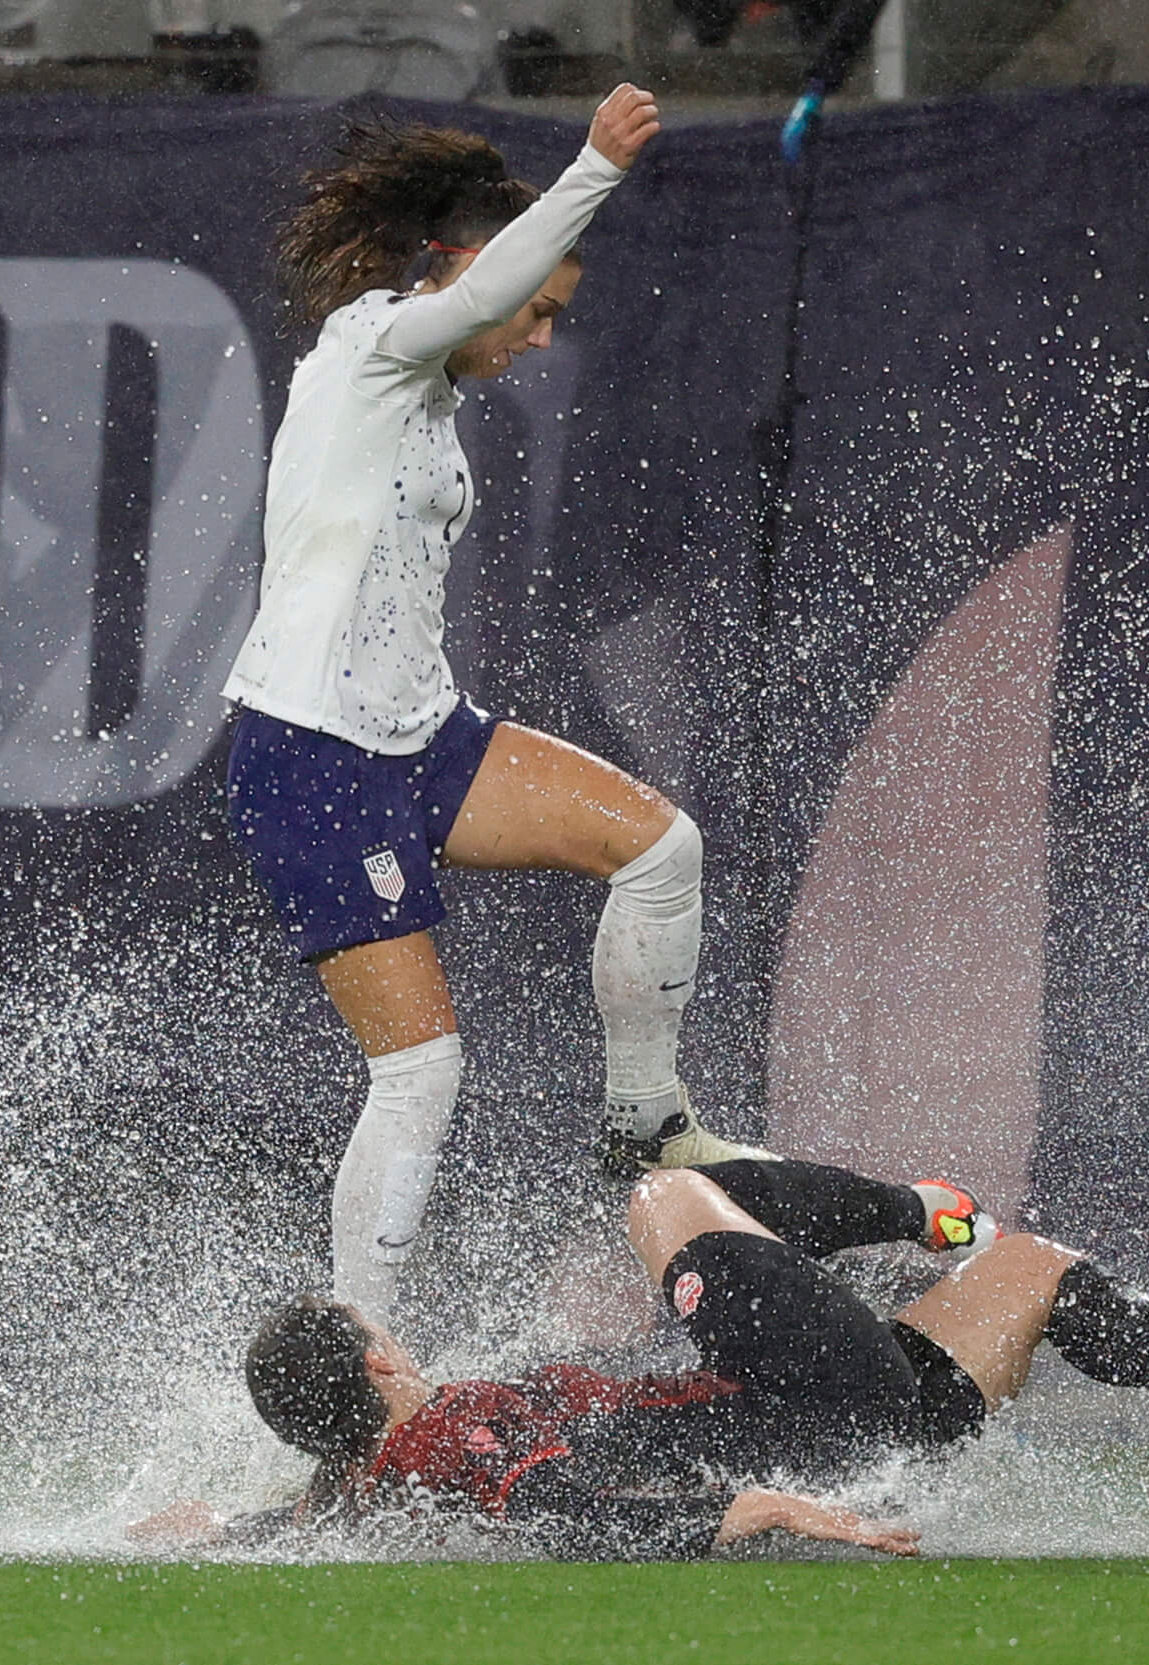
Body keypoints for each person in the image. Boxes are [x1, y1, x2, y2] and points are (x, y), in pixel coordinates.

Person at [222, 84, 768, 1323]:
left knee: (660, 847)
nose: (533, 337)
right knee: (420, 1069)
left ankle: (647, 1122)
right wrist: (594, 170)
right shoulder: (375, 342)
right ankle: (365, 1359)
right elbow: (472, 302)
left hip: (421, 737)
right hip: (315, 753)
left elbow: (482, 306)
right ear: (466, 268)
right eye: (536, 310)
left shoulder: (425, 391)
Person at [134, 1164, 1149, 1559]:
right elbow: (564, 1513)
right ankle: (918, 1208)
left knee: (1030, 1273)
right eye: (378, 1332)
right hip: (790, 1424)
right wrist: (749, 1512)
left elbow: (281, 1519)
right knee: (662, 1191)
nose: (397, 1336)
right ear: (375, 1367)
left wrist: (197, 1531)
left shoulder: (364, 1480)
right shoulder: (440, 1433)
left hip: (857, 1428)